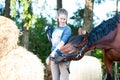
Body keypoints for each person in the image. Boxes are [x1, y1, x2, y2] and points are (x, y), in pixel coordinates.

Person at [46, 8, 72, 80]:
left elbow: (61, 44)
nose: (63, 21)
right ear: (58, 18)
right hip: (54, 56)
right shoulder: (56, 28)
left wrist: (50, 56)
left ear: (67, 18)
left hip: (63, 56)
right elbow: (54, 44)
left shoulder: (67, 29)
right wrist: (49, 36)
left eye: (64, 19)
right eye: (61, 18)